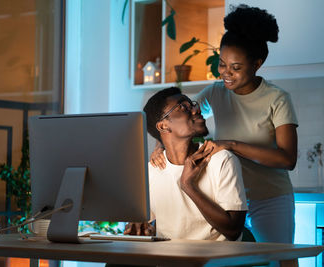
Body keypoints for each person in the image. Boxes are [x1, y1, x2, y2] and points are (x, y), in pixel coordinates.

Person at [150, 5, 298, 247]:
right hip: (225, 198)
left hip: (268, 198)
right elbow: (181, 118)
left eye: (236, 68)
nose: (226, 73)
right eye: (222, 64)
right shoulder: (216, 93)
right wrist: (159, 146)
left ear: (257, 64)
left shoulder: (277, 99)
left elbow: (287, 159)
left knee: (279, 259)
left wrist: (230, 145)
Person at [126, 87, 248, 241]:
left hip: (214, 262)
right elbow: (143, 223)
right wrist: (138, 225)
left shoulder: (222, 160)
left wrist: (188, 185)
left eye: (193, 104)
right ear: (163, 126)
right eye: (183, 106)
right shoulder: (152, 170)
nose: (196, 110)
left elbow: (233, 231)